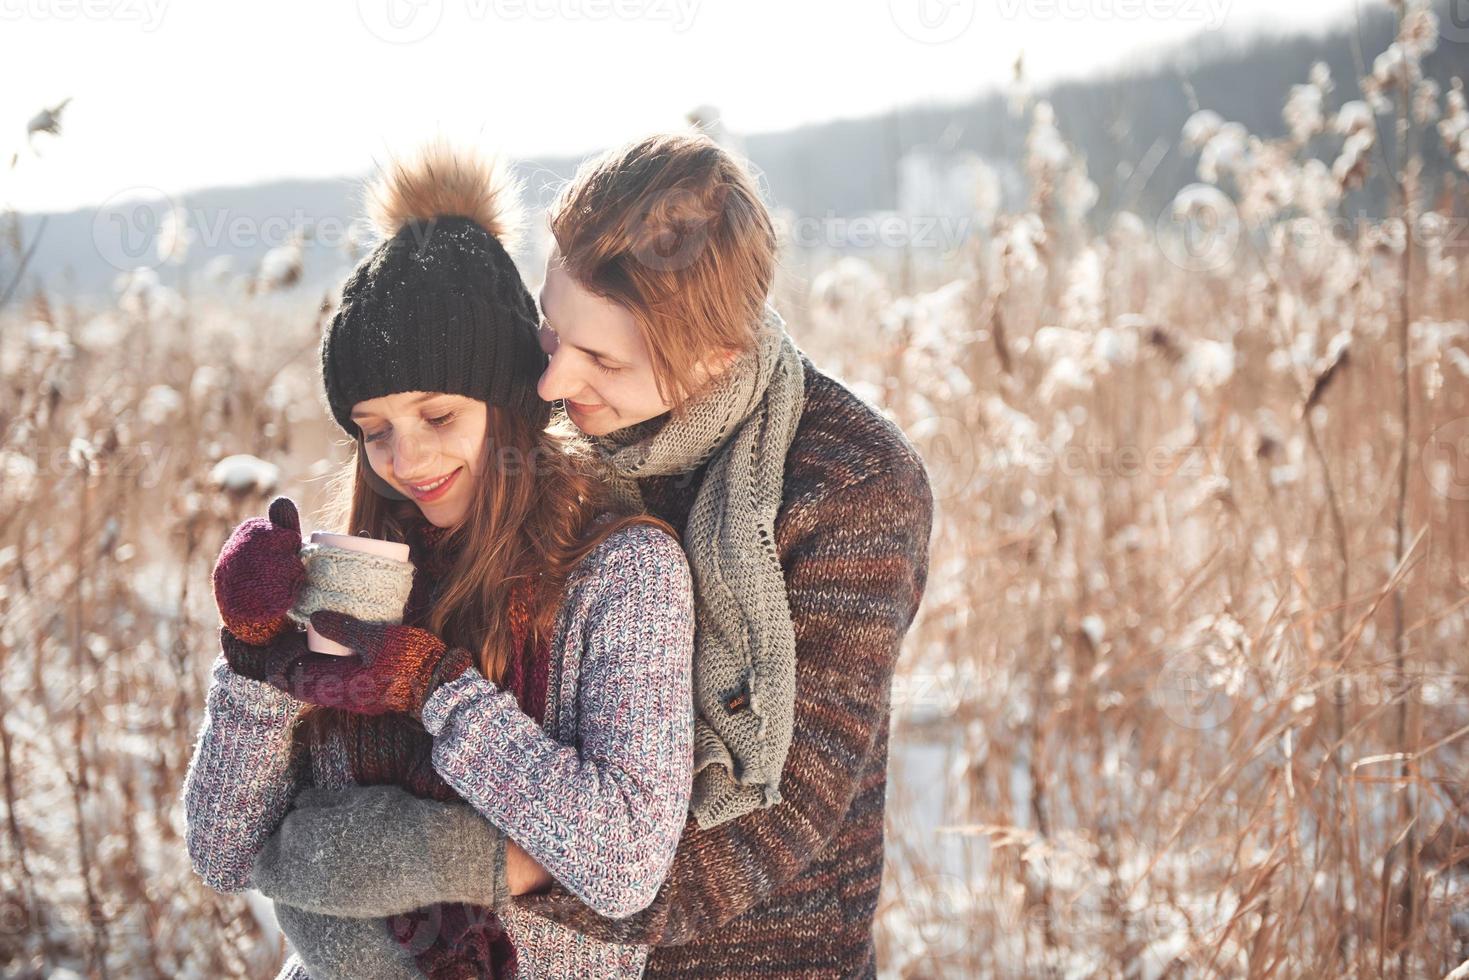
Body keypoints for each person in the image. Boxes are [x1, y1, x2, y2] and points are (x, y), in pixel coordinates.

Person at [291, 131, 937, 977]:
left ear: (717, 356)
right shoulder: (556, 435)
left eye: (601, 358)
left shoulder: (850, 485)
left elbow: (783, 815)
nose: (554, 387)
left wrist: (462, 862)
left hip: (753, 953)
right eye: (553, 336)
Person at [181, 141, 697, 978]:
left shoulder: (619, 576)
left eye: (438, 415)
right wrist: (249, 660)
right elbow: (222, 852)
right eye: (373, 429)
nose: (407, 459)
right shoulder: (348, 581)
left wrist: (434, 689)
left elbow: (623, 861)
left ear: (505, 400)